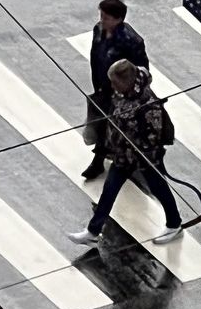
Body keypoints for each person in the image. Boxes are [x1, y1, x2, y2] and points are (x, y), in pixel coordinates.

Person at [68, 60, 183, 246]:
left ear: (127, 81)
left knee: (159, 188)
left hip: (144, 159)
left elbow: (153, 136)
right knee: (109, 191)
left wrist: (134, 143)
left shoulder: (148, 104)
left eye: (115, 82)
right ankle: (93, 231)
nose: (112, 86)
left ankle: (174, 223)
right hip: (123, 156)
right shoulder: (123, 92)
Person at [82, 0, 149, 180]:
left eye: (106, 17)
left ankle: (101, 160)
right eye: (101, 16)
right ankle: (101, 157)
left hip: (121, 93)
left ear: (118, 19)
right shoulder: (99, 30)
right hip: (102, 86)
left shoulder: (131, 41)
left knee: (113, 125)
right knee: (101, 122)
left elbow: (142, 70)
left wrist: (127, 91)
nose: (102, 20)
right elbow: (95, 56)